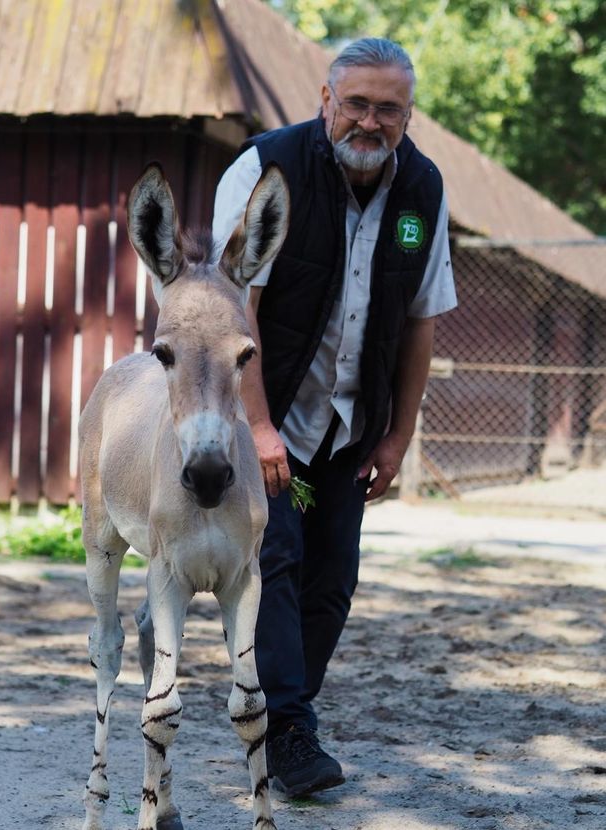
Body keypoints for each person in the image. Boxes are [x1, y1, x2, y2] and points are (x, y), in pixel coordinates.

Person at [212, 37, 457, 797]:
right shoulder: (264, 169)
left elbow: (421, 317)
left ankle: (283, 713)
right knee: (275, 558)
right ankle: (287, 728)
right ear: (326, 101)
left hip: (350, 426)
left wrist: (399, 432)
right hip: (266, 410)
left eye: (388, 109)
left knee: (333, 580)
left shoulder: (421, 192)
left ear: (408, 115)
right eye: (356, 104)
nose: (370, 122)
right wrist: (256, 427)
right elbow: (232, 305)